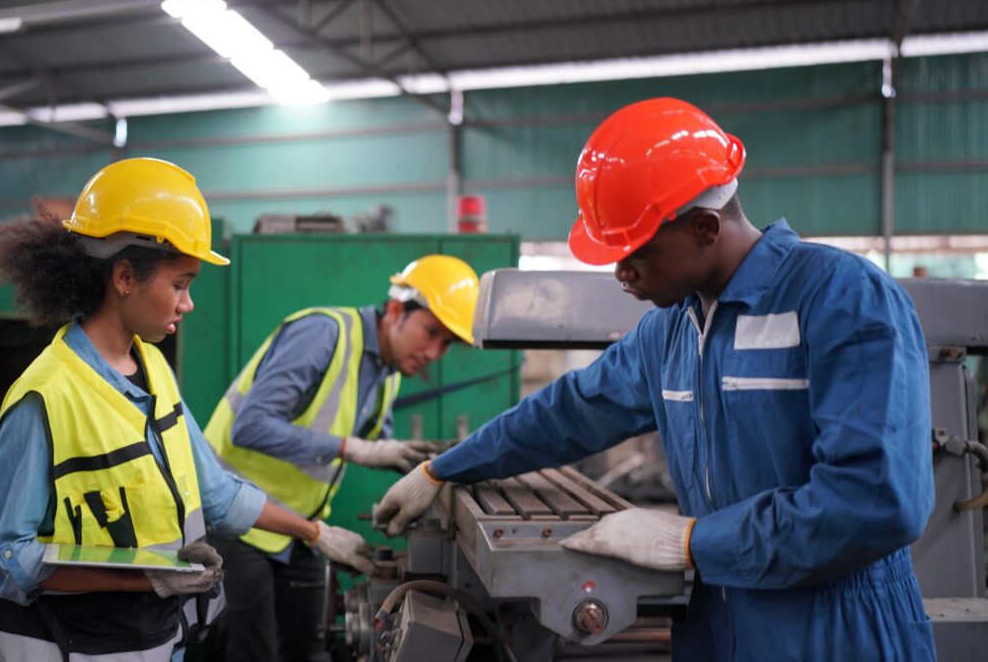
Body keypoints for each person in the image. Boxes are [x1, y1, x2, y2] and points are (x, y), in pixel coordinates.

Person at [375, 98, 937, 661]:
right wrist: (442, 469)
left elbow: (875, 500)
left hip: (837, 631)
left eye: (635, 254)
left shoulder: (843, 299)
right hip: (717, 621)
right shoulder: (670, 330)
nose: (620, 275)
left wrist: (690, 542)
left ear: (703, 227)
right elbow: (567, 412)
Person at [0, 158, 375, 662]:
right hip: (80, 646)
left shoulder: (155, 370)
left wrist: (316, 533)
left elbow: (216, 493)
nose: (188, 304)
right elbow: (3, 559)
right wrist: (146, 577)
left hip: (157, 639)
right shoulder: (45, 398)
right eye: (181, 284)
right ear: (124, 276)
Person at [202, 254, 479, 661]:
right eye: (431, 332)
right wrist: (353, 449)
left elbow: (374, 443)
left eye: (447, 343)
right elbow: (251, 426)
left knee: (310, 649)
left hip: (299, 529)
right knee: (253, 652)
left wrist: (421, 473)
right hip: (236, 519)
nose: (435, 352)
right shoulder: (323, 334)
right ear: (398, 310)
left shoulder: (390, 371)